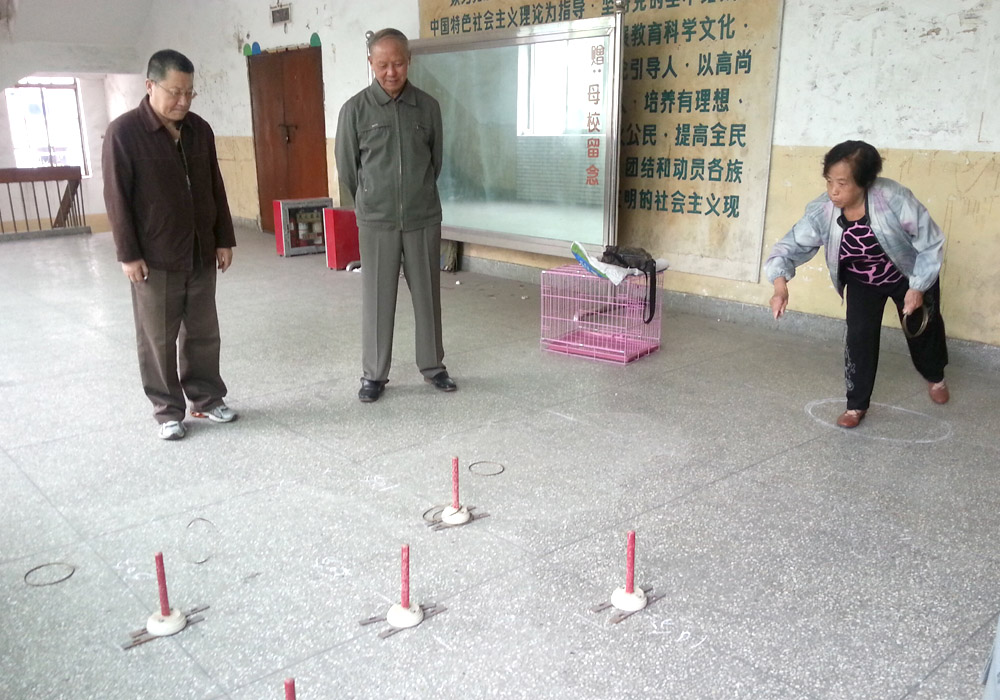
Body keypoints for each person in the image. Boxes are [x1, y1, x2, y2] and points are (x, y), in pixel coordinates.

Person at [766, 140, 949, 429]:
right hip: (863, 280)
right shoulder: (822, 210)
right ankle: (856, 404)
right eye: (829, 181)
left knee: (922, 329)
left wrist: (917, 287)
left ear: (865, 182)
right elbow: (788, 247)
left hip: (909, 273)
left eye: (842, 183)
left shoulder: (894, 198)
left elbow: (930, 242)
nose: (833, 191)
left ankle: (935, 376)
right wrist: (780, 286)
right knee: (859, 338)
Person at [103, 49, 238, 440]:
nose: (183, 101)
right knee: (158, 338)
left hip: (199, 250)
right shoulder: (124, 133)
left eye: (189, 92)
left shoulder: (200, 130)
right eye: (175, 92)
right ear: (150, 86)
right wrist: (128, 254)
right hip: (155, 256)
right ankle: (167, 411)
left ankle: (207, 398)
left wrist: (223, 238)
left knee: (203, 332)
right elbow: (117, 198)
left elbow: (214, 186)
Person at [335, 28, 456, 403]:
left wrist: (416, 193)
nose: (391, 72)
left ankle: (433, 366)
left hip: (422, 217)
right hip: (377, 220)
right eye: (383, 64)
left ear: (409, 61)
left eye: (399, 63)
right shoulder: (355, 110)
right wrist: (371, 199)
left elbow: (435, 161)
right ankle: (374, 374)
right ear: (371, 63)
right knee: (377, 298)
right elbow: (348, 169)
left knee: (428, 297)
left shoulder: (428, 107)